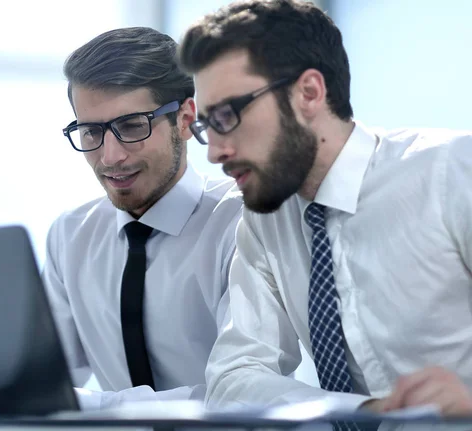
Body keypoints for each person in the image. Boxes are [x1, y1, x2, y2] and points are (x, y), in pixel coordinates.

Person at [177, 0, 472, 417]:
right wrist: (366, 410)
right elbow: (234, 375)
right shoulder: (265, 219)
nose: (215, 153)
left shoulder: (455, 173)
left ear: (309, 93)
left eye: (227, 115)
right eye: (207, 126)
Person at [42, 26, 242, 410]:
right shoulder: (71, 234)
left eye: (132, 126)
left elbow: (235, 392)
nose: (110, 156)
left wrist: (100, 408)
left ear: (185, 119)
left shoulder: (240, 223)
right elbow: (45, 382)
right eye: (90, 131)